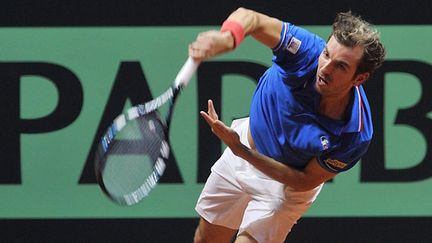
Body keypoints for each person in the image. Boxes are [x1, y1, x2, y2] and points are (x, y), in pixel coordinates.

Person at [189, 7, 385, 243]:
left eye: (341, 66)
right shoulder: (304, 50)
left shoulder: (355, 134)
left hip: (284, 188)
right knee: (205, 240)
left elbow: (304, 180)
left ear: (359, 78)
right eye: (326, 54)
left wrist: (242, 150)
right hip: (241, 150)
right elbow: (252, 18)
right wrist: (228, 38)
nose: (325, 68)